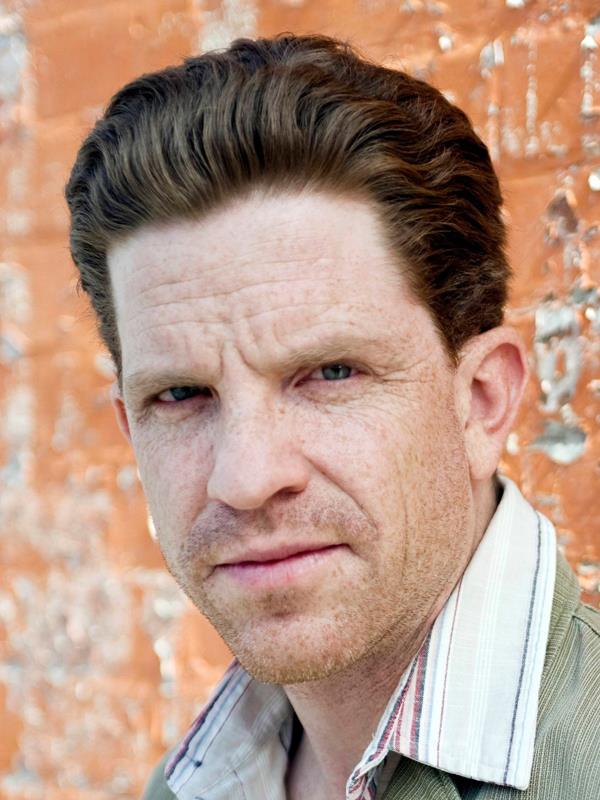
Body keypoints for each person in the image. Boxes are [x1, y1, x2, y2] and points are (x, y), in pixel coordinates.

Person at [65, 34, 599, 800]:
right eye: (181, 395)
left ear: (482, 401)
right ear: (130, 429)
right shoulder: (195, 783)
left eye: (330, 373)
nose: (246, 477)